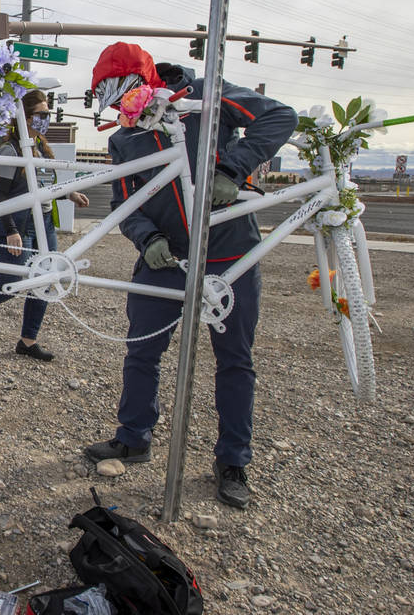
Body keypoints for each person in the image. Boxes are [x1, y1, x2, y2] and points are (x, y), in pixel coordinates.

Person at [81, 42, 296, 510]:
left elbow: (279, 116)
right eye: (110, 100)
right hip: (166, 259)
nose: (119, 108)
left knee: (234, 359)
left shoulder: (201, 97)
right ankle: (133, 438)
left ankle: (233, 460)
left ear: (141, 81)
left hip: (228, 254)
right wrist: (146, 237)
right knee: (141, 353)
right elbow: (125, 201)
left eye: (119, 94)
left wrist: (231, 167)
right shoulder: (124, 138)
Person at [0, 89, 90, 361]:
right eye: (42, 114)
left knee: (47, 279)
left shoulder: (40, 147)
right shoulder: (10, 150)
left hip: (43, 224)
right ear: (24, 117)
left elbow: (46, 186)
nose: (47, 119)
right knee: (12, 281)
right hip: (16, 225)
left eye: (48, 114)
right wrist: (12, 230)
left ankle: (27, 340)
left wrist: (69, 193)